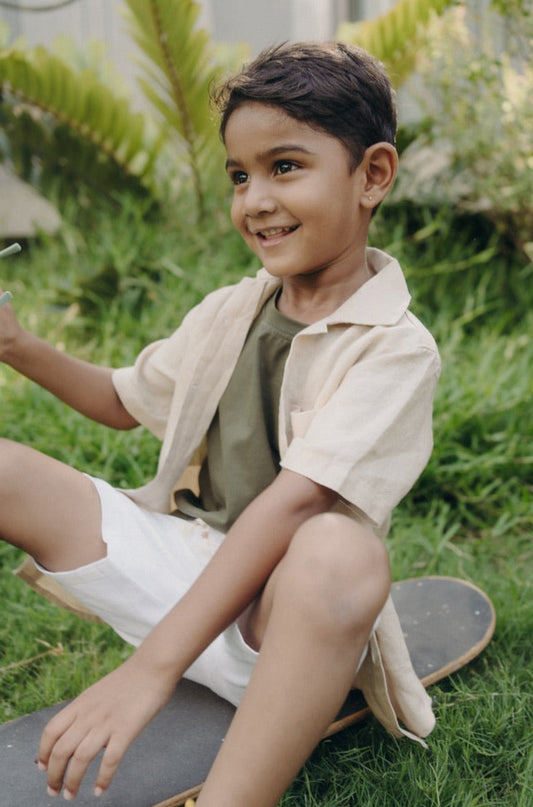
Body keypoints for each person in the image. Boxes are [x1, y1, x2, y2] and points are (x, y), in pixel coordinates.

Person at [0, 42, 440, 806]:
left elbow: (298, 500)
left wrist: (150, 668)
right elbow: (119, 399)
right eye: (239, 175)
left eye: (285, 167)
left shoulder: (395, 348)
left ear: (371, 175)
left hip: (275, 627)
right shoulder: (232, 309)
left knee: (340, 549)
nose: (255, 199)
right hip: (180, 576)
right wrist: (16, 344)